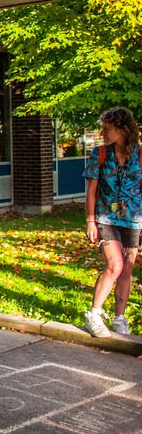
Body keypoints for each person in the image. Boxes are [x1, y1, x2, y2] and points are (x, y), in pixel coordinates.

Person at [83, 107, 142, 337]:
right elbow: (91, 192)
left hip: (133, 220)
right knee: (114, 265)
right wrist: (90, 221)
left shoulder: (139, 154)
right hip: (106, 218)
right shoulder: (99, 154)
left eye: (108, 129)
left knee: (127, 269)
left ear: (123, 129)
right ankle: (94, 314)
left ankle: (119, 318)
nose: (103, 133)